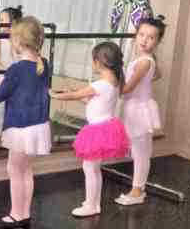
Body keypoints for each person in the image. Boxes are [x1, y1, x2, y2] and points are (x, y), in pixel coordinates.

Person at [0, 16, 52, 229]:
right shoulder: (44, 64)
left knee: (14, 169)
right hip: (38, 126)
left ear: (19, 42)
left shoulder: (16, 69)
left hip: (20, 127)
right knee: (27, 170)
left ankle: (15, 215)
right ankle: (25, 214)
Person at [50, 42, 130, 217]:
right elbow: (91, 99)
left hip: (97, 131)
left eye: (92, 60)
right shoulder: (115, 82)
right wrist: (71, 92)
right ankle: (93, 202)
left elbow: (75, 95)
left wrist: (54, 95)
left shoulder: (101, 84)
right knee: (93, 168)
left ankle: (91, 206)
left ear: (99, 62)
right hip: (106, 128)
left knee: (90, 168)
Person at [115, 16, 166, 206]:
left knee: (141, 152)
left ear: (158, 41)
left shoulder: (144, 62)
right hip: (134, 107)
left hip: (139, 110)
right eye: (142, 35)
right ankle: (137, 189)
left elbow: (126, 89)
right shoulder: (144, 59)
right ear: (136, 35)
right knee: (139, 150)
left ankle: (137, 191)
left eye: (151, 37)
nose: (144, 40)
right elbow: (157, 74)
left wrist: (112, 77)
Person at [0, 5, 24, 151]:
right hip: (2, 76)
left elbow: (23, 59)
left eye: (3, 20)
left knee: (16, 108)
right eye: (0, 19)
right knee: (0, 109)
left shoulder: (20, 40)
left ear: (13, 22)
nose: (0, 22)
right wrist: (8, 72)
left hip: (17, 78)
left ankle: (14, 139)